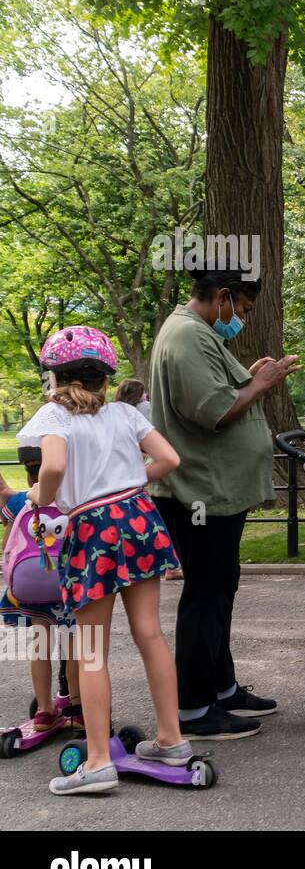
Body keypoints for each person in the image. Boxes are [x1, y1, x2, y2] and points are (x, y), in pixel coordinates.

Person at [18, 326, 185, 795]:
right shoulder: (124, 414)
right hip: (140, 518)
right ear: (105, 376)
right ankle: (172, 740)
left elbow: (51, 468)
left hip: (92, 528)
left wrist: (42, 497)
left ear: (56, 375)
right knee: (150, 633)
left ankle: (95, 761)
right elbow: (170, 459)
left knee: (92, 646)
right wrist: (130, 480)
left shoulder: (56, 417)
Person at [149, 263, 300, 740]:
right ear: (222, 296)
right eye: (244, 309)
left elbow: (218, 392)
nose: (244, 320)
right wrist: (262, 383)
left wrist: (249, 377)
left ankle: (221, 687)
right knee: (205, 597)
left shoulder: (196, 334)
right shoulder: (187, 336)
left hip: (214, 492)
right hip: (201, 492)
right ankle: (194, 709)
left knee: (219, 591)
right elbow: (213, 412)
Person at [1, 446, 82, 735]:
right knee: (74, 648)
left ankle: (45, 711)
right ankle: (76, 708)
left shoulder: (22, 501)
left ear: (28, 474)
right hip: (66, 586)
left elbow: (8, 542)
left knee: (40, 646)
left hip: (32, 586)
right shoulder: (73, 499)